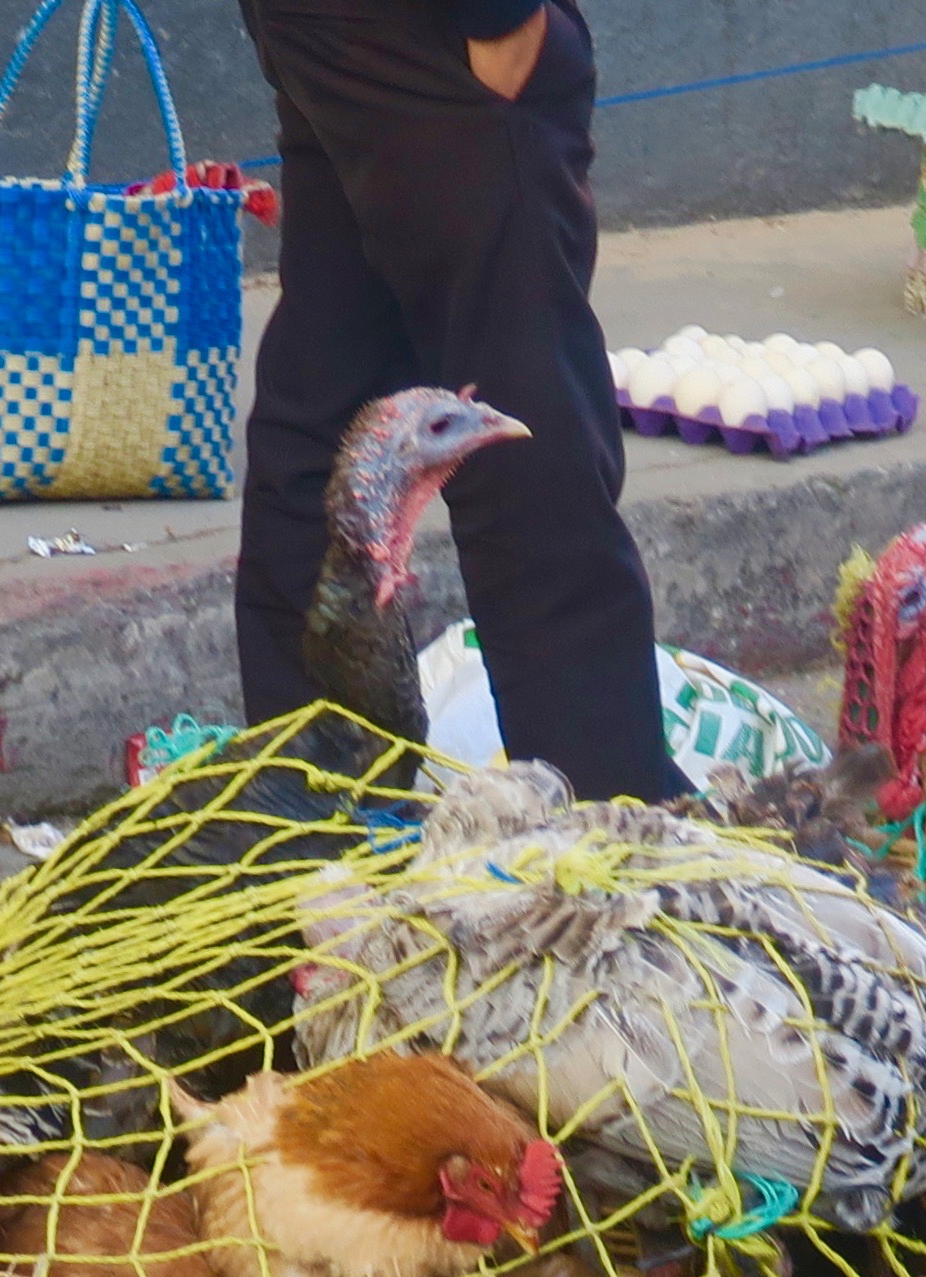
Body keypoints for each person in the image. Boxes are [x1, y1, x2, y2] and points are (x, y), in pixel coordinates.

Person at [231, 0, 684, 802]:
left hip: (321, 30)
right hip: (433, 42)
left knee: (330, 390)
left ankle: (303, 822)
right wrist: (503, 21)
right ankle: (612, 834)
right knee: (527, 449)